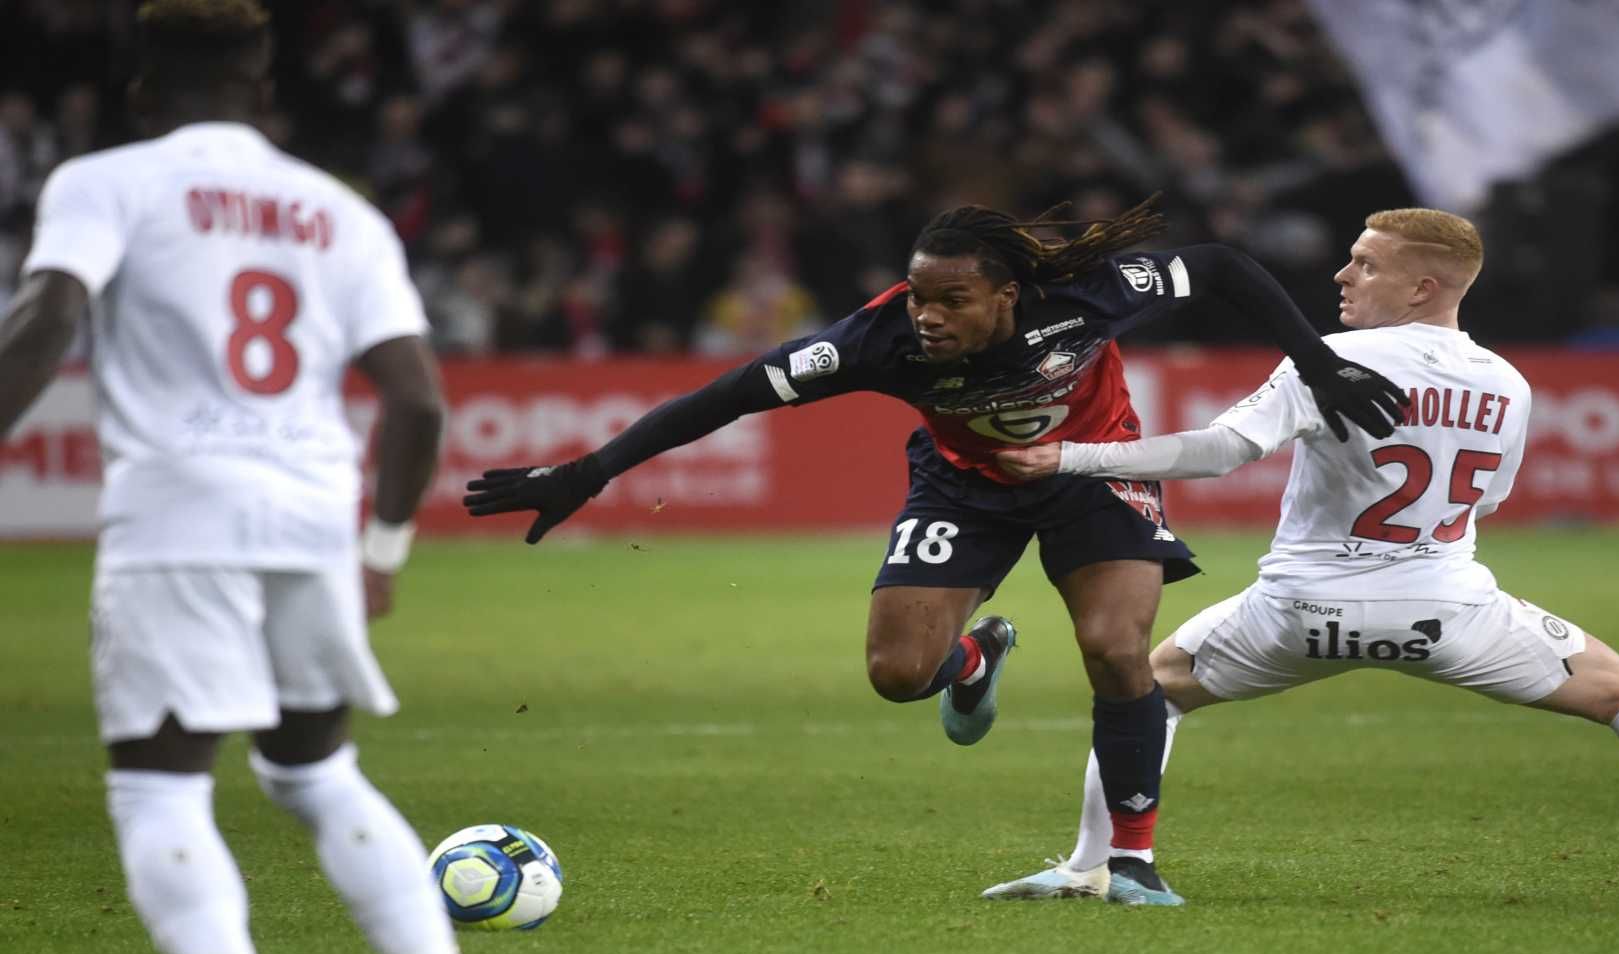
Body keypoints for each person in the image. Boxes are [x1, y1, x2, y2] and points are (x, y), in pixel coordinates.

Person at [463, 195, 1407, 906]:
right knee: (897, 674)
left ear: (1008, 294)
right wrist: (590, 470)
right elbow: (728, 395)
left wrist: (1319, 362)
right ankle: (972, 659)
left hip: (1091, 470)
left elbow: (1223, 266)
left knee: (1116, 648)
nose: (929, 316)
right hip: (964, 486)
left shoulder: (1089, 297)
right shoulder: (875, 343)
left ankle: (1132, 861)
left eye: (953, 300)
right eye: (920, 296)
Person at [985, 208, 1619, 901]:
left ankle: (1093, 867)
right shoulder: (1506, 382)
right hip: (1447, 612)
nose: (1342, 275)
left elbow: (1220, 452)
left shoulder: (1331, 359)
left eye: (1365, 264)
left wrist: (1072, 456)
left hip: (1298, 612)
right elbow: (1487, 501)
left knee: (1147, 692)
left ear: (1422, 287)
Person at [0, 3, 518, 954]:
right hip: (310, 515)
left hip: (179, 512)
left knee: (160, 790)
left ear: (143, 89)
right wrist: (381, 551)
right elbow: (417, 400)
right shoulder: (339, 212)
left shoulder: (104, 182)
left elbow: (46, 321)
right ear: (265, 88)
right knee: (316, 773)